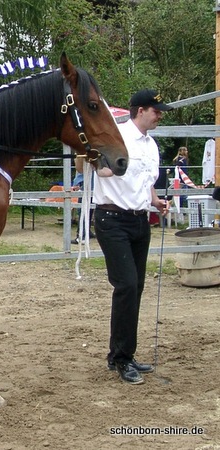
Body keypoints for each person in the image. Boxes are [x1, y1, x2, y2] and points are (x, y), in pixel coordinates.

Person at [93, 88, 171, 385]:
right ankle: (122, 359)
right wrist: (106, 167)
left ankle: (123, 353)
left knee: (135, 286)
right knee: (126, 284)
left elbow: (146, 181)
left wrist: (156, 201)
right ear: (141, 111)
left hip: (140, 221)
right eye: (156, 110)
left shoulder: (151, 145)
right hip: (112, 219)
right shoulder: (115, 135)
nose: (159, 114)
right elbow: (96, 167)